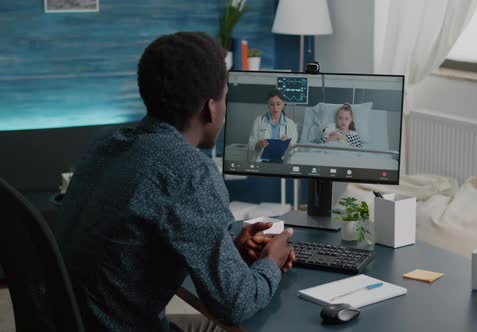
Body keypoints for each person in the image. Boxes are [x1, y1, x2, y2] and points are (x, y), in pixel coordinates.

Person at [54, 32, 295, 332]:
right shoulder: (189, 172)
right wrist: (272, 260)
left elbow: (135, 250)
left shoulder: (105, 145)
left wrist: (228, 247)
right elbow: (236, 304)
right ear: (211, 107)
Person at [250, 89, 298, 155]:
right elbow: (251, 145)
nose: (275, 107)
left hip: (282, 161)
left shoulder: (291, 124)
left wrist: (288, 143)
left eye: (278, 104)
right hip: (263, 161)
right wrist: (258, 145)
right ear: (268, 105)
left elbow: (294, 149)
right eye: (272, 104)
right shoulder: (259, 121)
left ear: (283, 104)